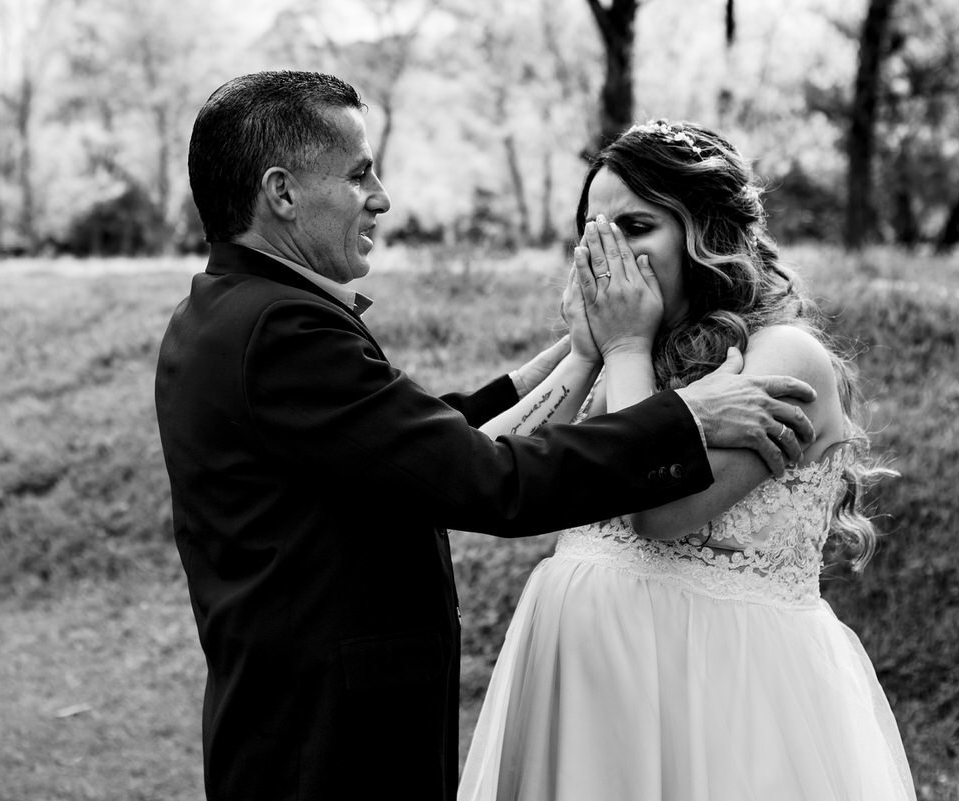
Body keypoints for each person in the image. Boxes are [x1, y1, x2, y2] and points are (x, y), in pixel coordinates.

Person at [154, 72, 818, 801]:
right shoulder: (281, 328)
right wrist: (685, 416)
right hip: (326, 745)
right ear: (281, 192)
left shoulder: (225, 312)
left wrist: (580, 352)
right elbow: (486, 479)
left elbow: (414, 446)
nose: (381, 195)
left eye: (633, 227)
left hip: (305, 724)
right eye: (359, 173)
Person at [458, 120, 917, 801]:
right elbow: (478, 471)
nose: (609, 252)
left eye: (637, 226)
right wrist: (585, 354)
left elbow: (656, 512)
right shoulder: (623, 351)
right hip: (584, 697)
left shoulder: (784, 355)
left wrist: (622, 351)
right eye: (594, 231)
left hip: (710, 697)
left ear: (706, 235)